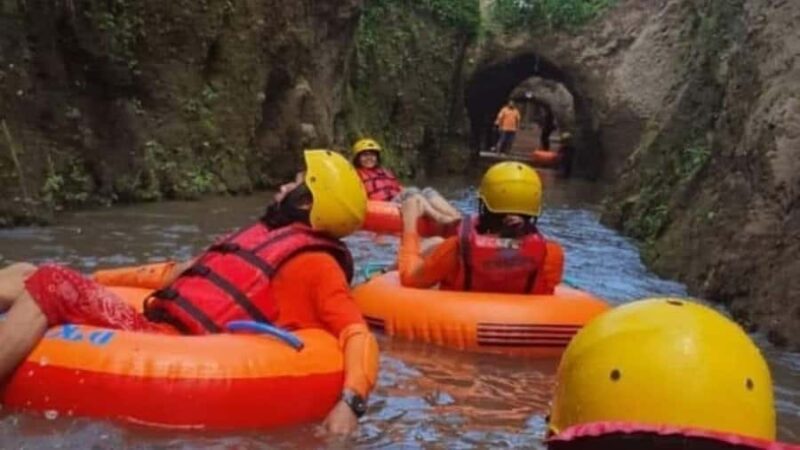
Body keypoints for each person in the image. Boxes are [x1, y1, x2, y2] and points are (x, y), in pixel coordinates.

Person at [0, 150, 379, 435]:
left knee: (49, 282)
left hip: (172, 341)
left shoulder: (317, 264)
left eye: (294, 181)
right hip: (152, 322)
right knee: (26, 274)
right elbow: (174, 274)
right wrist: (95, 277)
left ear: (306, 200)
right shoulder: (263, 239)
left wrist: (351, 403)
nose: (282, 186)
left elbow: (357, 333)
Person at [397, 161, 564, 294]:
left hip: (458, 318)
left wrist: (410, 226)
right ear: (534, 210)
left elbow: (409, 280)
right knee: (435, 243)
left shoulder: (456, 249)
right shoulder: (552, 254)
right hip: (523, 326)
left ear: (484, 205)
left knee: (431, 244)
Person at [352, 137, 461, 225]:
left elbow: (398, 188)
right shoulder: (355, 174)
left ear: (377, 157)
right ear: (357, 158)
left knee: (428, 190)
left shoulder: (385, 172)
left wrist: (416, 193)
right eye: (364, 155)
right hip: (382, 206)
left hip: (397, 202)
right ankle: (438, 217)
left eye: (372, 155)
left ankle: (456, 216)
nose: (369, 158)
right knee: (412, 191)